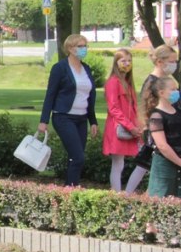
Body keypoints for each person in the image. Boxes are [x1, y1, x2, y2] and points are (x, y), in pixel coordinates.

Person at [39, 34, 98, 187]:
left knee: (75, 157)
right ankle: (70, 189)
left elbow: (90, 97)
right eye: (80, 46)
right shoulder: (60, 68)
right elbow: (50, 94)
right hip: (63, 117)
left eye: (85, 46)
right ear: (70, 48)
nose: (84, 49)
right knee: (78, 157)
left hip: (81, 118)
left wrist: (93, 121)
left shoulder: (86, 68)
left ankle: (71, 188)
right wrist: (44, 120)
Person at [128, 44, 180, 192]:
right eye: (171, 61)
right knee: (145, 166)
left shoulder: (166, 80)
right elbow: (147, 108)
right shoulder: (152, 82)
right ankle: (127, 195)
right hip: (158, 129)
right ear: (160, 62)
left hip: (168, 127)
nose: (174, 65)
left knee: (146, 168)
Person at [103, 49, 141, 192]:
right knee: (118, 162)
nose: (127, 64)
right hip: (119, 127)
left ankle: (124, 193)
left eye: (129, 61)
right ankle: (117, 194)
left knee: (125, 162)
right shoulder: (113, 82)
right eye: (123, 61)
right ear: (116, 63)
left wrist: (138, 124)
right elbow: (113, 108)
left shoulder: (128, 82)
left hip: (130, 126)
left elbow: (134, 107)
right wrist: (130, 126)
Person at [145, 74, 181, 198]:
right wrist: (179, 162)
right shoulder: (156, 116)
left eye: (177, 89)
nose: (176, 92)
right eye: (173, 89)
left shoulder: (178, 111)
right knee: (161, 200)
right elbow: (162, 145)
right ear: (161, 93)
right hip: (164, 165)